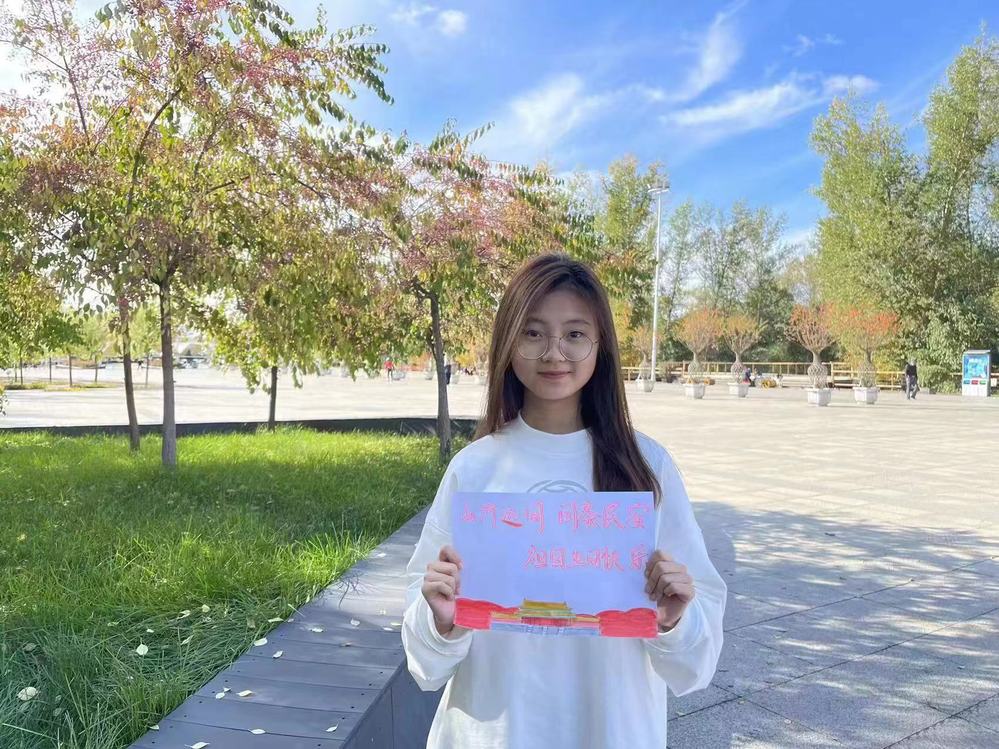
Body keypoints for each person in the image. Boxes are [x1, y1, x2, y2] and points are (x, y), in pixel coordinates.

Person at [402, 253, 726, 749]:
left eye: (575, 334)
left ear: (601, 347)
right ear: (508, 343)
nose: (554, 352)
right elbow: (423, 663)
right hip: (491, 734)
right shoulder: (475, 468)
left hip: (612, 731)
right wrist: (441, 622)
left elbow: (696, 666)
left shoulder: (647, 468)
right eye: (533, 333)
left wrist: (674, 620)